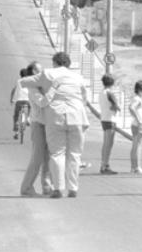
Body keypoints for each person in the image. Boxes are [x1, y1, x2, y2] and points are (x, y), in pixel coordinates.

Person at [20, 52, 91, 198]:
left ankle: (58, 188)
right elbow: (85, 97)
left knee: (57, 153)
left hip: (55, 116)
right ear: (69, 63)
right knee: (74, 154)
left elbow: (23, 82)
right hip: (77, 115)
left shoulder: (47, 74)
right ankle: (73, 188)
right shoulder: (78, 77)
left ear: (54, 62)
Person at [20, 61, 53, 196]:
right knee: (37, 158)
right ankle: (26, 188)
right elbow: (42, 102)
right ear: (34, 73)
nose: (43, 72)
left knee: (48, 157)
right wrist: (53, 91)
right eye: (40, 70)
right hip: (38, 125)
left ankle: (46, 186)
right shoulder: (33, 88)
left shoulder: (42, 86)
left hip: (47, 124)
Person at [97, 74, 121, 175]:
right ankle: (105, 165)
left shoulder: (101, 92)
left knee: (105, 143)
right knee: (109, 144)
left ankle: (103, 164)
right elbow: (117, 106)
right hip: (110, 119)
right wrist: (115, 108)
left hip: (104, 118)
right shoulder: (110, 93)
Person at [129, 80, 142, 175]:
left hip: (136, 124)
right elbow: (131, 108)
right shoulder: (137, 99)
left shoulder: (137, 98)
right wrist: (139, 120)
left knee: (135, 146)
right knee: (137, 146)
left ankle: (134, 167)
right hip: (139, 125)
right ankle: (137, 167)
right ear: (140, 89)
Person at [10, 68, 30, 140]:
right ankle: (28, 118)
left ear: (20, 74)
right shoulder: (30, 81)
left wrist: (12, 100)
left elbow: (13, 90)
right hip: (27, 100)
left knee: (16, 116)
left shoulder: (18, 81)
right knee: (30, 107)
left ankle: (16, 132)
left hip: (19, 101)